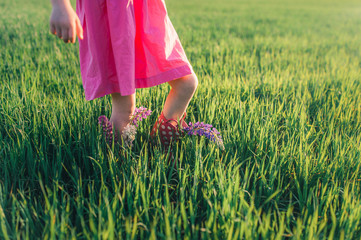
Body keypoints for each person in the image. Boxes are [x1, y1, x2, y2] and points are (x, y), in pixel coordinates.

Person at [49, 0, 198, 148]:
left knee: (187, 83)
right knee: (125, 108)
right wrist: (60, 5)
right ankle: (119, 163)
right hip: (113, 16)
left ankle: (159, 145)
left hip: (146, 11)